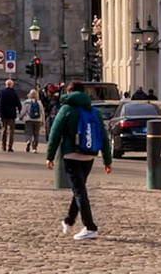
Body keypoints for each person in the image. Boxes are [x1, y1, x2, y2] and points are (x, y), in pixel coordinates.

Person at [45, 80, 112, 240]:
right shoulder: (93, 110)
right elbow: (104, 136)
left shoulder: (66, 109)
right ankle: (69, 220)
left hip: (71, 154)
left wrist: (50, 156)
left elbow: (55, 133)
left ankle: (90, 227)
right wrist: (107, 160)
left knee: (79, 191)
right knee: (79, 188)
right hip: (89, 154)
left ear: (69, 92)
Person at [0, 79, 22, 152]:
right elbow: (18, 104)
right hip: (12, 114)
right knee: (11, 131)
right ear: (12, 85)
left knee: (4, 130)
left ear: (6, 85)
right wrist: (20, 113)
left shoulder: (1, 92)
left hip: (3, 114)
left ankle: (3, 146)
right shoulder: (14, 93)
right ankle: (10, 146)